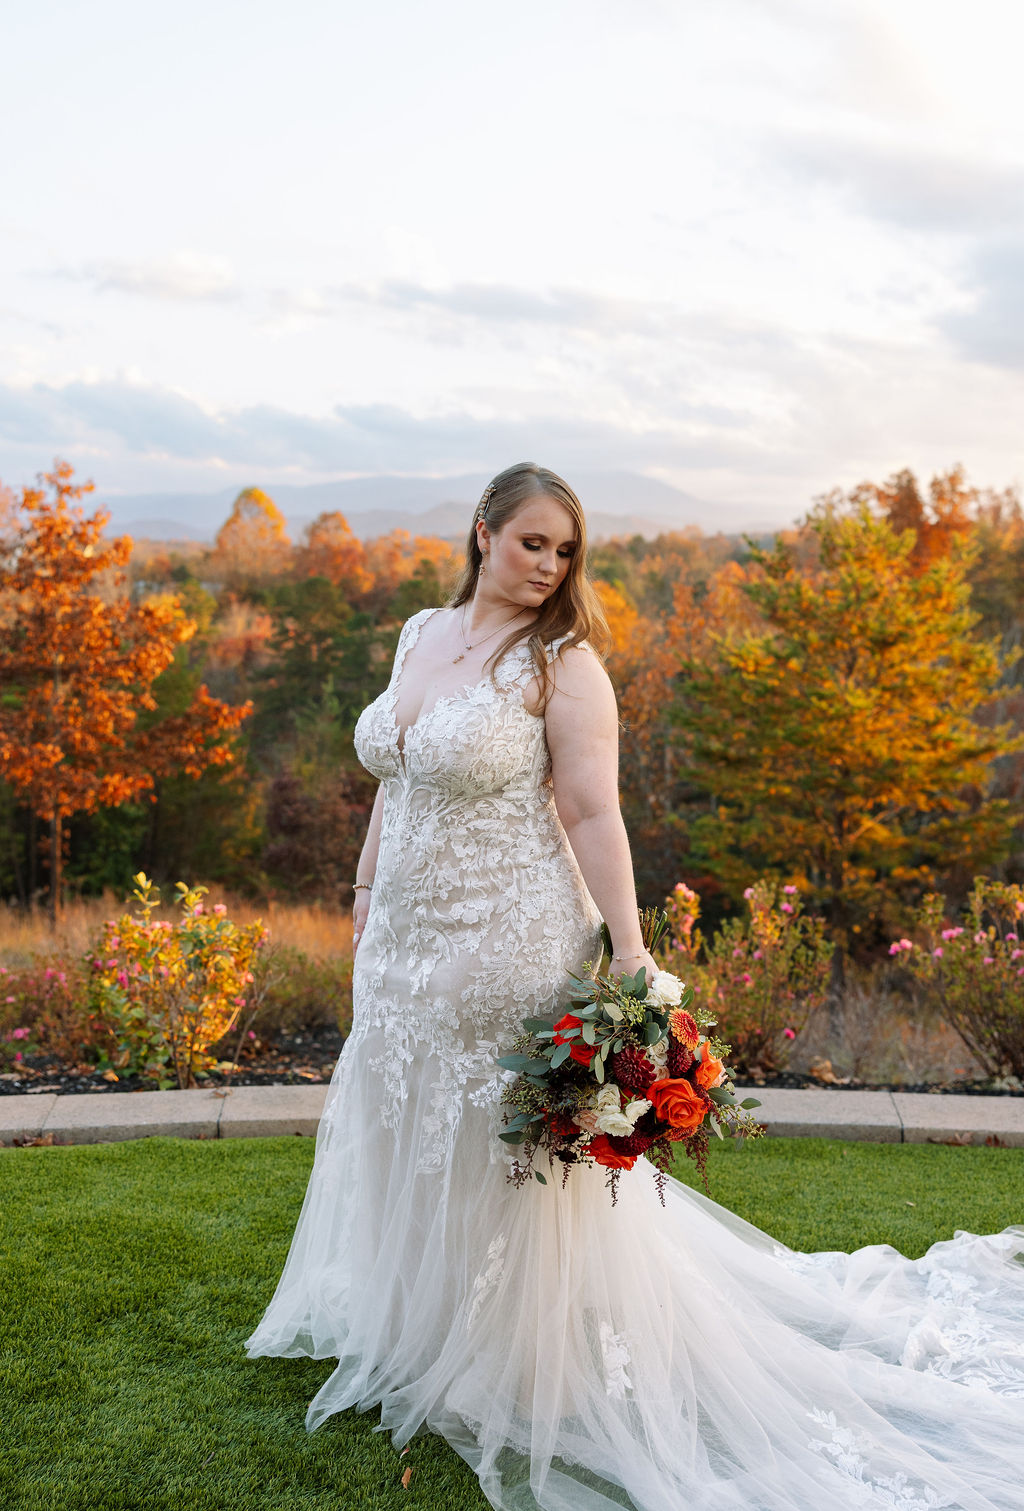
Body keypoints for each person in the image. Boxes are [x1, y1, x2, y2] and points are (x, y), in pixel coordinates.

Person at [247, 463, 1024, 1511]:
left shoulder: (562, 664)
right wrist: (363, 886)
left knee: (497, 1142)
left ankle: (520, 1352)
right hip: (401, 939)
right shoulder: (417, 633)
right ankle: (422, 1322)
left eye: (564, 551)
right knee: (404, 1113)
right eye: (531, 543)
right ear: (483, 533)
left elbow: (593, 814)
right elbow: (396, 775)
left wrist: (629, 949)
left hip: (507, 934)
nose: (547, 566)